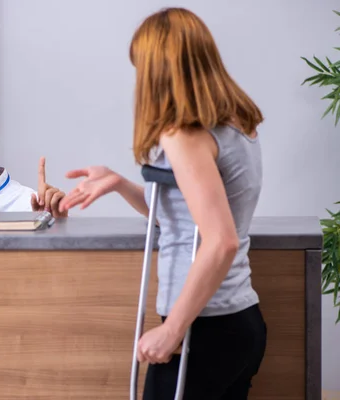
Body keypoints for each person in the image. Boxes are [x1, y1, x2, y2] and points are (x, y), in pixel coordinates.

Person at [59, 7, 267, 400]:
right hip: (238, 321)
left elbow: (220, 240)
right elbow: (183, 218)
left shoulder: (183, 136)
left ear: (159, 69)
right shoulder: (235, 124)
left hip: (202, 329)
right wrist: (119, 184)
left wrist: (172, 332)